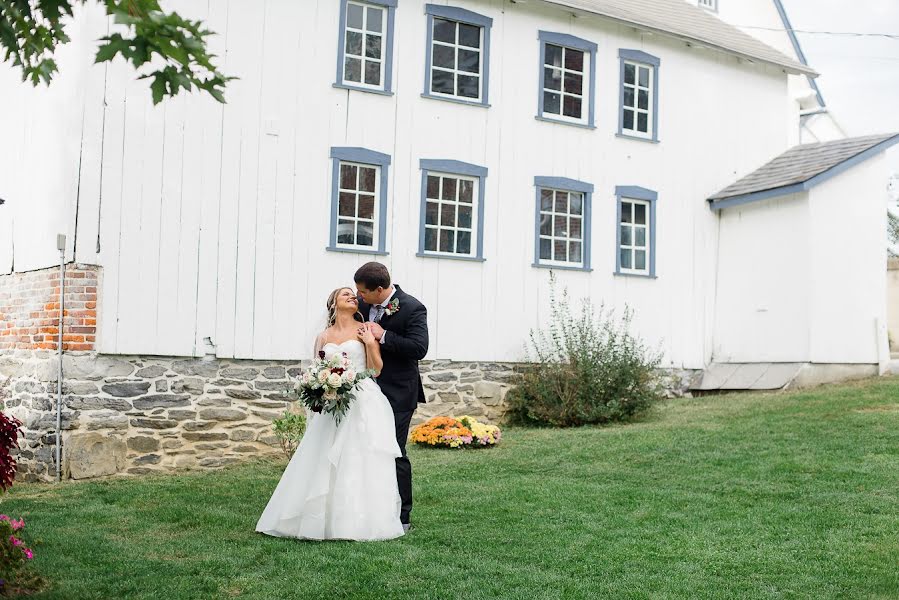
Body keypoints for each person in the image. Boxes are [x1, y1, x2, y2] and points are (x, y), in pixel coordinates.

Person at [255, 287, 405, 541]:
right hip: (332, 402)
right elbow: (317, 369)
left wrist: (370, 343)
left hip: (362, 398)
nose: (352, 296)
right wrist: (321, 387)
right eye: (345, 293)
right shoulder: (323, 336)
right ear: (333, 302)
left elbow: (376, 369)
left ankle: (357, 521)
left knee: (359, 455)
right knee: (324, 455)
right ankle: (318, 518)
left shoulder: (365, 329)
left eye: (353, 294)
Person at [354, 262, 429, 532]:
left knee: (394, 452)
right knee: (364, 450)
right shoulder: (361, 308)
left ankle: (402, 516)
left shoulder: (412, 307)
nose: (359, 296)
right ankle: (369, 508)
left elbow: (419, 348)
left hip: (398, 392)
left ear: (380, 289)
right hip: (364, 392)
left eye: (363, 292)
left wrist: (384, 335)